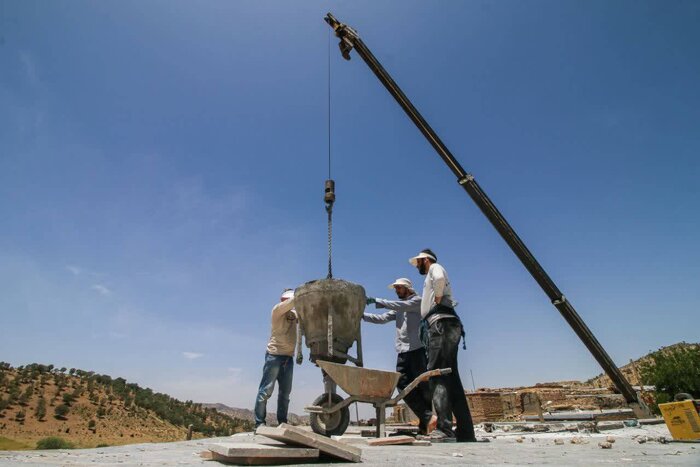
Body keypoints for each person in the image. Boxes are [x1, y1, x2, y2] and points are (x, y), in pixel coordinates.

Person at [409, 248, 476, 442]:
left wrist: (437, 298)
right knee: (451, 377)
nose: (417, 267)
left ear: (426, 260)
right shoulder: (431, 273)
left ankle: (444, 429)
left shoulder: (434, 268)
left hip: (440, 325)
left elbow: (438, 279)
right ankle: (465, 432)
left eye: (418, 262)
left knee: (437, 375)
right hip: (447, 325)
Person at [364, 278, 434, 435]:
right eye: (395, 289)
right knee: (402, 384)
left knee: (423, 387)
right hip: (402, 352)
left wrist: (377, 300)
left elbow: (402, 306)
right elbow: (381, 319)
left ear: (407, 288)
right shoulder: (398, 308)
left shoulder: (417, 301)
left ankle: (427, 425)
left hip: (417, 350)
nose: (396, 291)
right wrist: (360, 315)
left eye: (399, 288)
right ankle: (428, 417)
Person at [253, 288, 298, 429]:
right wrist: (305, 294)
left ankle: (282, 423)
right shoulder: (277, 311)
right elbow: (297, 301)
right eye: (287, 301)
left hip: (288, 358)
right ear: (283, 301)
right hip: (274, 356)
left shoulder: (295, 314)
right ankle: (259, 424)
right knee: (265, 391)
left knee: (285, 394)